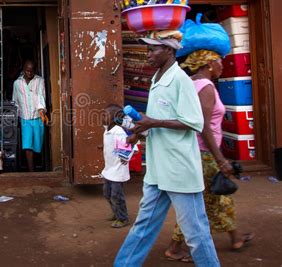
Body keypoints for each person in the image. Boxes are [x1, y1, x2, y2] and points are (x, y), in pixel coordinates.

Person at [114, 31, 220, 267]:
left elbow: (194, 122)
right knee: (143, 227)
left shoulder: (180, 80)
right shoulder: (157, 78)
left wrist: (153, 123)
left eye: (153, 50)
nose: (147, 54)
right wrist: (139, 133)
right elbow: (158, 119)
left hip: (179, 170)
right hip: (158, 170)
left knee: (196, 234)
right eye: (147, 49)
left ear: (169, 51)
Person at [163, 50, 254, 262]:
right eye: (219, 61)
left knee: (216, 198)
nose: (223, 65)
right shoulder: (207, 88)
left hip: (195, 151)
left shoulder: (190, 84)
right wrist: (220, 159)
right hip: (204, 153)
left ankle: (235, 236)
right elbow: (202, 125)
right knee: (203, 201)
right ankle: (174, 247)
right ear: (210, 64)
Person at [12, 60, 48, 172]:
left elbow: (42, 96)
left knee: (37, 145)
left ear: (35, 70)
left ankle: (37, 167)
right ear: (23, 70)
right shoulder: (17, 83)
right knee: (28, 146)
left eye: (31, 71)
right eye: (27, 71)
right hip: (24, 118)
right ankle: (32, 172)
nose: (29, 73)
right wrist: (15, 117)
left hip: (37, 116)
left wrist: (42, 111)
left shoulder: (40, 81)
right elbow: (15, 100)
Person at [101, 104, 132, 228]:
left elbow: (129, 146)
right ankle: (116, 212)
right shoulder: (107, 129)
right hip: (109, 169)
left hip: (118, 170)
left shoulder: (118, 132)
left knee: (116, 195)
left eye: (105, 115)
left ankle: (123, 218)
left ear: (115, 118)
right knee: (107, 193)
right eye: (102, 114)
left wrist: (125, 158)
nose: (102, 117)